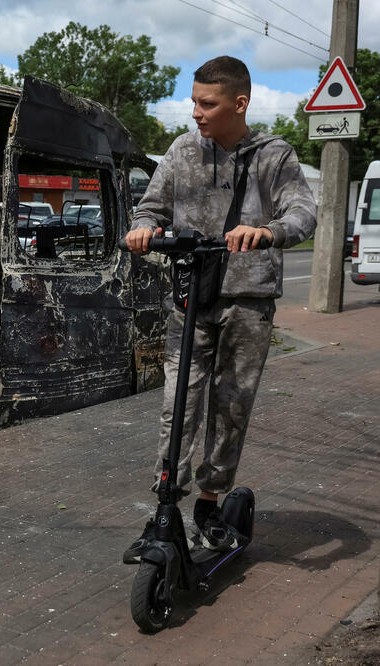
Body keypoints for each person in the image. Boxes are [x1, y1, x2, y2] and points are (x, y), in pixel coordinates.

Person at [123, 56, 316, 556]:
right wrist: (144, 228)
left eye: (206, 103)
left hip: (248, 303)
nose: (196, 112)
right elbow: (149, 206)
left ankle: (209, 502)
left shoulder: (274, 155)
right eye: (194, 102)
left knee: (231, 406)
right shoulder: (183, 151)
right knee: (177, 404)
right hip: (191, 297)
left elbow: (302, 212)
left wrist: (268, 230)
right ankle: (167, 501)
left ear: (240, 103)